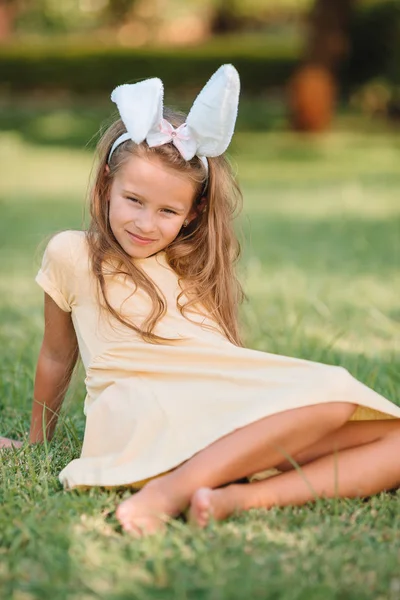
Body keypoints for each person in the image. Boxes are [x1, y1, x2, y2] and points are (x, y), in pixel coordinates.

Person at [2, 65, 400, 536]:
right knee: (333, 395)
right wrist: (34, 443)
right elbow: (54, 355)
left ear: (192, 214)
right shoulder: (74, 252)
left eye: (167, 210)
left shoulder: (190, 264)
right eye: (133, 199)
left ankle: (237, 497)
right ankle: (168, 494)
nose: (145, 223)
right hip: (146, 405)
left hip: (214, 401)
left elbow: (216, 359)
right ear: (106, 185)